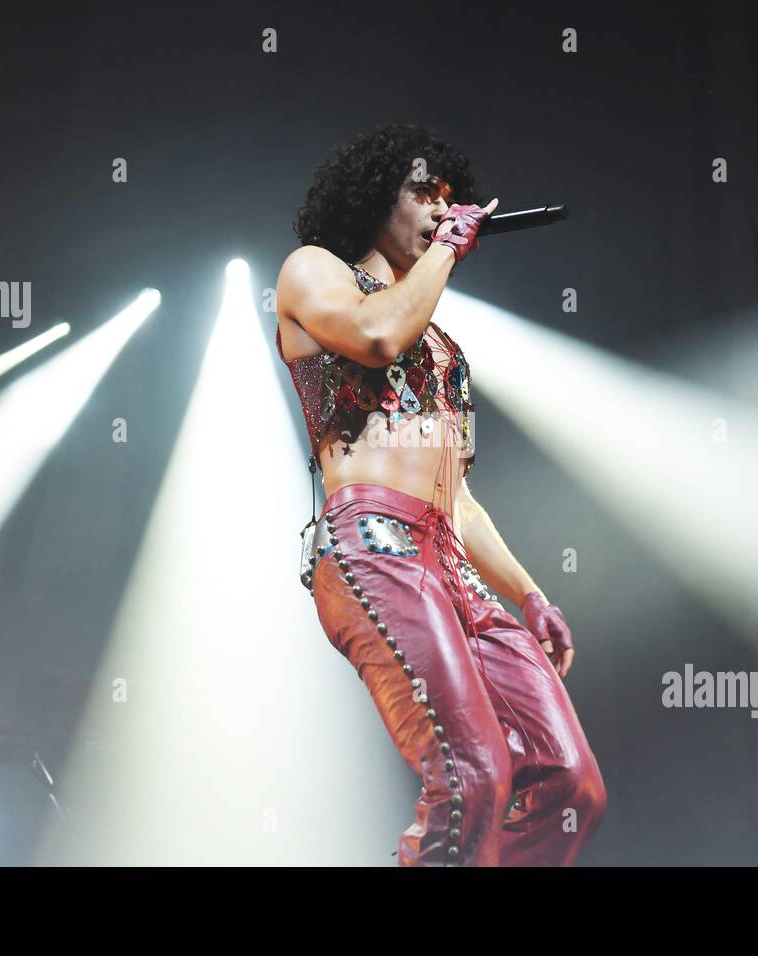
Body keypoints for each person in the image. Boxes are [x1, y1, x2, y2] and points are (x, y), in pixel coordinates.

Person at [275, 124, 606, 866]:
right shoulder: (313, 272)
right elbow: (376, 336)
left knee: (569, 786)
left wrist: (527, 593)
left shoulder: (445, 348)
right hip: (375, 543)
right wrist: (450, 249)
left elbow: (458, 495)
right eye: (423, 193)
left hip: (449, 560)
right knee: (473, 777)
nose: (440, 209)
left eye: (450, 200)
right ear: (372, 201)